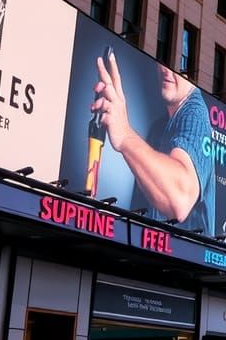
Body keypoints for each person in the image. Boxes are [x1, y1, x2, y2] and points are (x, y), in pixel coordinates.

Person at [91, 59, 215, 233]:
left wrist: (125, 136)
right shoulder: (158, 127)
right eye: (163, 61)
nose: (166, 70)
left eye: (181, 63)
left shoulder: (195, 115)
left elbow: (178, 201)